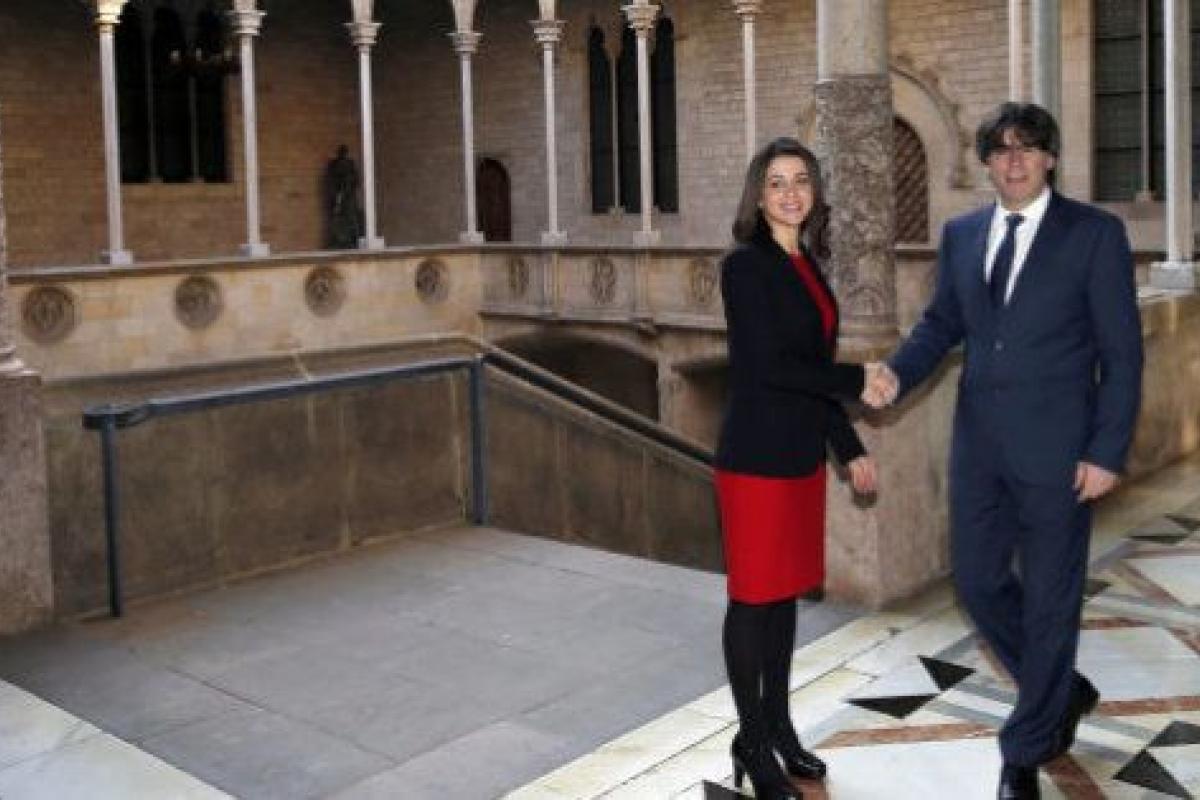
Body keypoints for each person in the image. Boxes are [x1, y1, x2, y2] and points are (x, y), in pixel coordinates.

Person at [865, 102, 1143, 799]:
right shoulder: (962, 235)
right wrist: (897, 373)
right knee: (978, 581)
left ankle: (1025, 748)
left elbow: (1122, 354)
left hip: (1061, 455)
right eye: (1001, 149)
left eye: (1027, 148)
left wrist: (1107, 450)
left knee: (1050, 601)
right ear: (987, 162)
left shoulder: (1094, 235)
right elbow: (941, 324)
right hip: (980, 450)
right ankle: (1059, 689)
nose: (1014, 160)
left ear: (1049, 158)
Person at [715, 137, 885, 799]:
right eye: (777, 182)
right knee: (752, 602)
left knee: (782, 597)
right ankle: (752, 742)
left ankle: (780, 728)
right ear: (758, 197)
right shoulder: (745, 266)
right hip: (755, 460)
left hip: (800, 459)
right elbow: (770, 368)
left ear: (814, 192)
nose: (791, 193)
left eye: (802, 180)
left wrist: (848, 446)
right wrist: (858, 379)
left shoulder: (807, 263)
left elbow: (811, 371)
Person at [325, 144, 362, 248]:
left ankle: (351, 242)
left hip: (348, 197)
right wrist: (338, 195)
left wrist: (348, 189)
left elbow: (355, 180)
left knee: (350, 220)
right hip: (340, 197)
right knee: (339, 220)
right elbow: (332, 182)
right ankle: (341, 242)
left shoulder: (349, 164)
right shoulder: (335, 165)